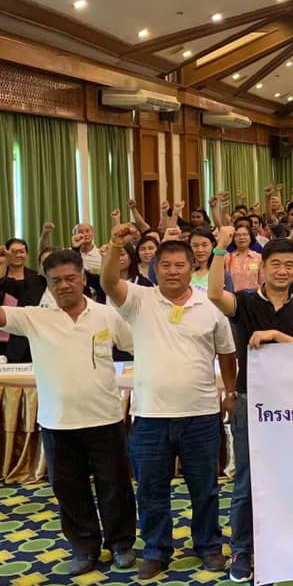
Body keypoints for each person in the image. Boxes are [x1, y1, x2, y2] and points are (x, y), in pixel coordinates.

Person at [101, 225, 237, 579]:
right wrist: (115, 245)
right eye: (165, 265)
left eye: (180, 265)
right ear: (154, 269)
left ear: (193, 267)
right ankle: (156, 550)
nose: (172, 271)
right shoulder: (139, 299)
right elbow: (108, 282)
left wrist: (230, 392)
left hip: (201, 415)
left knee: (205, 490)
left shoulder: (210, 305)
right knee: (151, 491)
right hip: (150, 416)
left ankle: (208, 546)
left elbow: (227, 353)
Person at [0, 249, 137, 575]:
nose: (64, 285)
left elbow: (138, 345)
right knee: (70, 490)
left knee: (115, 486)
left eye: (70, 278)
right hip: (57, 422)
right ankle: (84, 548)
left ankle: (121, 544)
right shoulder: (34, 317)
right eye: (56, 280)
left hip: (105, 418)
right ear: (47, 283)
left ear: (83, 278)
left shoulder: (106, 314)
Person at [208, 229, 293, 583]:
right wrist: (219, 248)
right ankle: (242, 549)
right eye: (275, 264)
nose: (282, 271)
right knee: (247, 479)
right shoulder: (245, 302)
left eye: (289, 265)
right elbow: (214, 294)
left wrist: (275, 336)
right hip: (250, 401)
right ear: (263, 268)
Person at [0, 238, 47, 362]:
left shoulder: (36, 279)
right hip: (2, 336)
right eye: (14, 251)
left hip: (26, 339)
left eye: (21, 251)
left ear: (27, 254)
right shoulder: (1, 275)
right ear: (6, 253)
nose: (18, 255)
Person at [226, 224, 262, 292]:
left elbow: (263, 282)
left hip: (254, 296)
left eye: (245, 234)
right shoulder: (227, 258)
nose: (241, 237)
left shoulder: (259, 258)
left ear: (250, 237)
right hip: (233, 296)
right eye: (237, 235)